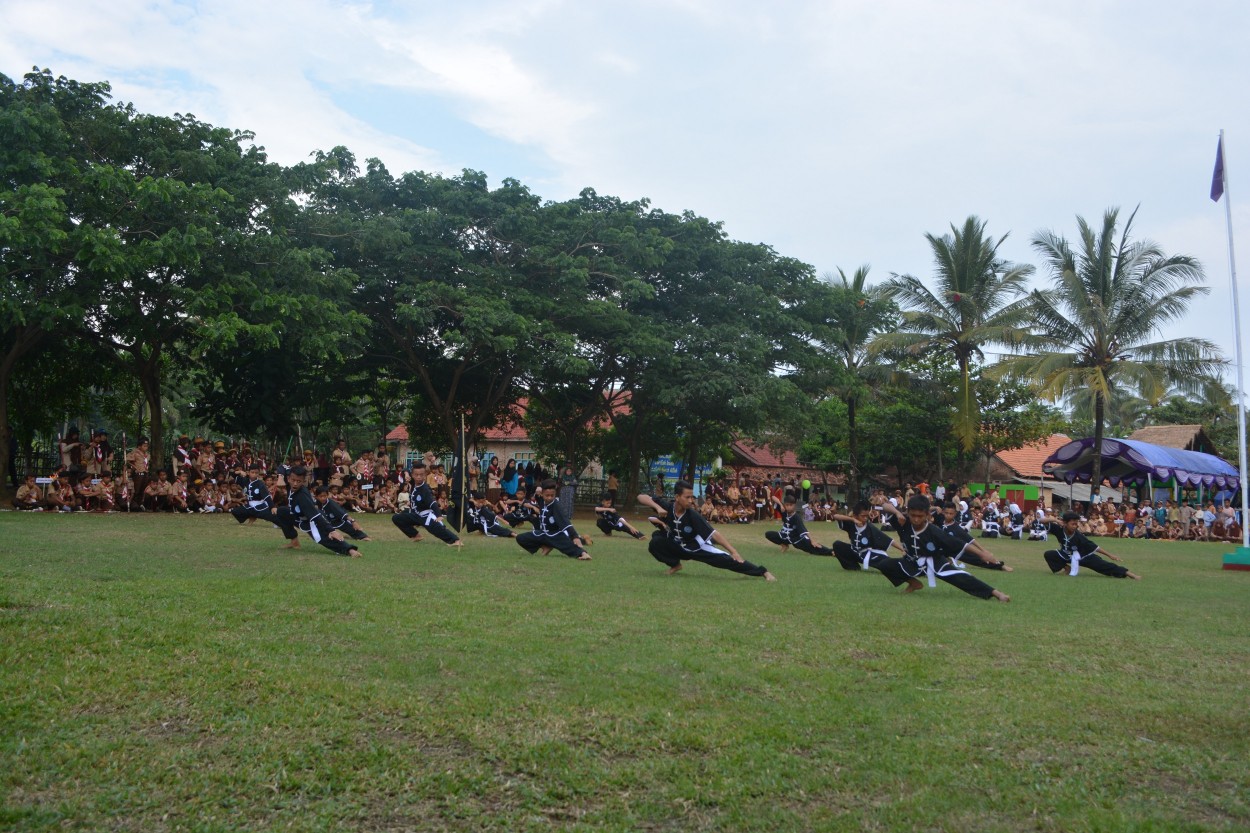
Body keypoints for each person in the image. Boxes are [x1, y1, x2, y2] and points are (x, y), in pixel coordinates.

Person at [873, 495, 1011, 602]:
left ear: (927, 515)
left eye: (920, 516)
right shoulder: (903, 521)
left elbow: (959, 543)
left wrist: (982, 554)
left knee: (962, 578)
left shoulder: (935, 532)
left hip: (935, 562)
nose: (915, 519)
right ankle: (914, 583)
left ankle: (997, 594)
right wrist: (897, 513)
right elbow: (884, 505)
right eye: (913, 515)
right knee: (884, 564)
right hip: (912, 562)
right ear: (908, 512)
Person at [636, 481, 775, 581]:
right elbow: (641, 497)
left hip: (697, 548)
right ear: (677, 497)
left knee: (729, 561)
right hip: (678, 546)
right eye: (687, 497)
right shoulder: (667, 507)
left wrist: (734, 552)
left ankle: (763, 572)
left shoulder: (693, 515)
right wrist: (657, 507)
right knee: (655, 542)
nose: (691, 500)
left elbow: (714, 534)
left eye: (692, 497)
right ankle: (675, 565)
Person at [274, 466, 362, 557]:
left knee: (322, 538)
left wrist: (331, 530)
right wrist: (280, 475)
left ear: (303, 481)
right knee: (281, 511)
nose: (295, 483)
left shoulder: (302, 496)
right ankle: (294, 542)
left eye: (299, 481)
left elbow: (315, 516)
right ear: (288, 478)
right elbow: (283, 468)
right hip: (296, 516)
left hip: (310, 519)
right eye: (293, 480)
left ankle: (350, 550)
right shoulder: (290, 482)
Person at [1040, 510, 1141, 579]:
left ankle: (1130, 574)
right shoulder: (1059, 529)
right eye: (1073, 524)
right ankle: (1067, 568)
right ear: (1065, 523)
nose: (1075, 526)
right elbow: (1041, 520)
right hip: (1066, 555)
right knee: (1049, 554)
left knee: (1104, 566)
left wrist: (1111, 555)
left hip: (1083, 557)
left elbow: (1095, 547)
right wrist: (1056, 520)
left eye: (1076, 524)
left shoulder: (1079, 536)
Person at [516, 479, 591, 560]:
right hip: (543, 534)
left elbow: (565, 522)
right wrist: (538, 488)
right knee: (520, 538)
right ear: (542, 494)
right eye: (547, 495)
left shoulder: (556, 506)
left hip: (555, 534)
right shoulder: (541, 500)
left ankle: (584, 554)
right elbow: (537, 493)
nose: (549, 498)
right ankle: (546, 547)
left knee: (568, 546)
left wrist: (575, 536)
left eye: (552, 495)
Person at [391, 461, 462, 546]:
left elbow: (432, 503)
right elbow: (405, 469)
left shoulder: (425, 489)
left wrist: (438, 515)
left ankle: (456, 541)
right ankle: (416, 535)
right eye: (416, 475)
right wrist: (406, 473)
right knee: (397, 518)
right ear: (412, 475)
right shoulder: (413, 483)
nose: (419, 477)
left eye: (421, 475)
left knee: (437, 530)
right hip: (416, 514)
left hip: (426, 515)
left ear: (425, 475)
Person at [828, 501, 907, 572]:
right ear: (855, 515)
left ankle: (903, 567)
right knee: (837, 544)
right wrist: (853, 520)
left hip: (867, 554)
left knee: (885, 564)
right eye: (863, 516)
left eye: (867, 516)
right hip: (854, 552)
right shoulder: (851, 524)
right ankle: (853, 567)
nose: (865, 518)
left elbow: (888, 540)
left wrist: (902, 549)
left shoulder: (870, 527)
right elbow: (836, 516)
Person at [936, 502, 1013, 571]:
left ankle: (999, 565)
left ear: (955, 514)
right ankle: (946, 560)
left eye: (951, 514)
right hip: (939, 549)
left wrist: (983, 551)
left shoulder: (956, 528)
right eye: (946, 513)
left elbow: (970, 540)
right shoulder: (939, 519)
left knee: (977, 559)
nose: (948, 515)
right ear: (943, 512)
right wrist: (935, 507)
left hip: (955, 550)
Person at [764, 492, 834, 556]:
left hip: (796, 539)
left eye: (790, 505)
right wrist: (780, 505)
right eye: (787, 505)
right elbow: (773, 497)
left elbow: (804, 530)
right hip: (784, 536)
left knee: (813, 549)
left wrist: (812, 541)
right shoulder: (784, 510)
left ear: (794, 505)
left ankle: (831, 552)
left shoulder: (796, 517)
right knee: (768, 534)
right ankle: (784, 545)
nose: (788, 507)